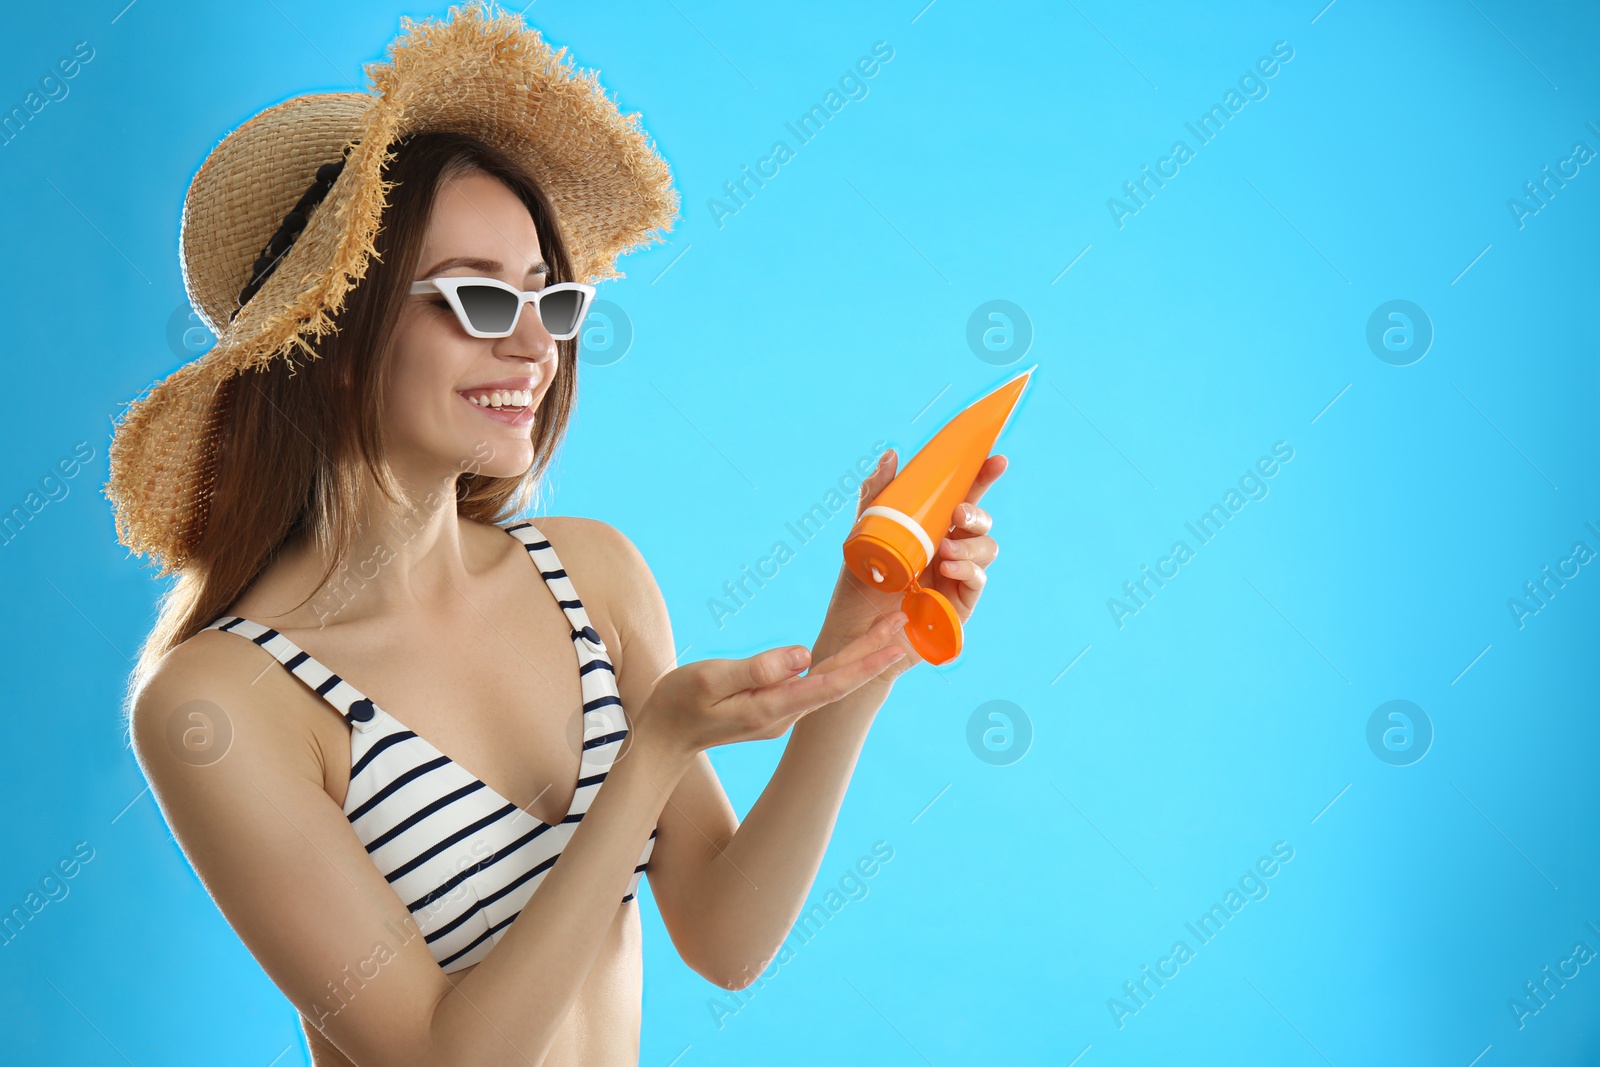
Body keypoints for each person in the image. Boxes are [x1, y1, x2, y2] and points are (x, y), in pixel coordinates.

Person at [109, 5, 1004, 1065]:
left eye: (551, 298)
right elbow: (445, 1056)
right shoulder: (217, 702)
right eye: (482, 299)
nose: (537, 347)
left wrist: (863, 651)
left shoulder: (590, 574)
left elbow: (724, 935)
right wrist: (655, 747)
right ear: (333, 338)